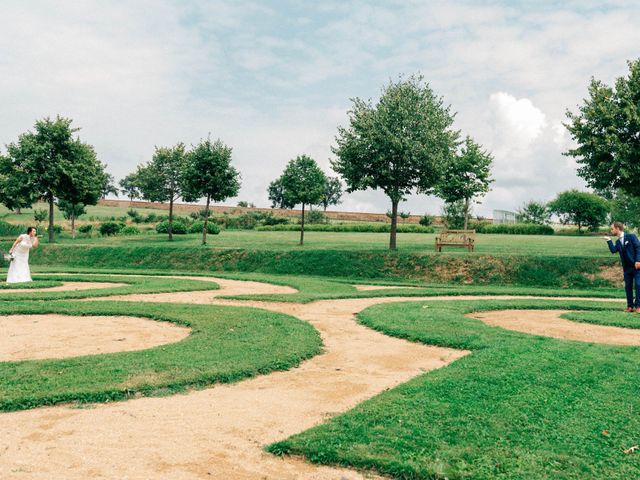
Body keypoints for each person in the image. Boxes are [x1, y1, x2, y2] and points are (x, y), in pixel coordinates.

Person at [604, 221, 640, 312]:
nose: (611, 230)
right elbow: (613, 250)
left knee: (638, 285)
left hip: (637, 266)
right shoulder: (618, 241)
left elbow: (638, 248)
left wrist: (638, 260)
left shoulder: (631, 237)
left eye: (612, 229)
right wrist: (608, 240)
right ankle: (630, 306)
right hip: (627, 268)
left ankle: (638, 306)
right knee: (628, 287)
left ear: (617, 228)